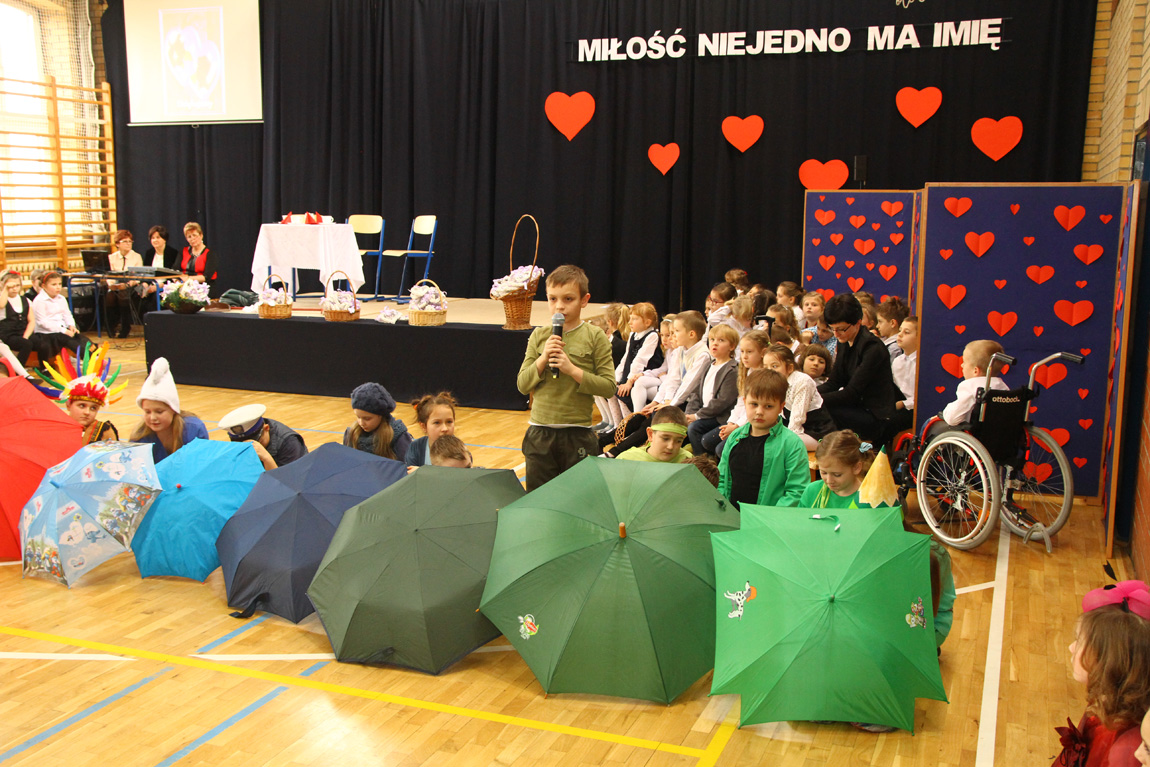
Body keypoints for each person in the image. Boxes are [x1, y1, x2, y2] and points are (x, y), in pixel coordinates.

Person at [516, 264, 616, 491]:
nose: (559, 306)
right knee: (539, 498)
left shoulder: (595, 336)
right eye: (552, 299)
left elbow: (609, 387)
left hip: (578, 433)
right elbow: (522, 385)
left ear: (584, 300)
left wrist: (572, 369)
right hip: (540, 432)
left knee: (578, 499)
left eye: (568, 299)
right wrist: (543, 359)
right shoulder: (539, 335)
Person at [1053, 580, 1150, 767]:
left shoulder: (1126, 753)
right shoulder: (1108, 698)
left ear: (1109, 663)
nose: (1071, 647)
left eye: (1079, 641)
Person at [817, 293, 904, 445]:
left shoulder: (873, 348)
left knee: (823, 410)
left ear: (858, 323)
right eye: (833, 329)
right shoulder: (844, 341)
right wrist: (809, 392)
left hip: (876, 416)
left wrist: (816, 399)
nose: (836, 334)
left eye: (841, 329)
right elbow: (834, 382)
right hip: (857, 408)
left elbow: (852, 393)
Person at [717, 369, 809, 509]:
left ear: (781, 407)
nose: (759, 411)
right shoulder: (734, 437)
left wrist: (767, 518)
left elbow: (797, 491)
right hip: (732, 516)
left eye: (768, 406)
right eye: (754, 404)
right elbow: (722, 478)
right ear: (745, 402)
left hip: (767, 519)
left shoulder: (792, 444)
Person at [924, 339, 1010, 443]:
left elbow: (953, 419)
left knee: (930, 423)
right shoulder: (1003, 387)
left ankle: (919, 452)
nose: (961, 365)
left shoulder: (970, 386)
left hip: (974, 437)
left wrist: (944, 413)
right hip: (998, 438)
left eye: (964, 362)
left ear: (975, 371)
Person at [130, 357, 209, 462]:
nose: (153, 417)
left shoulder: (194, 429)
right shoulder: (139, 437)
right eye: (147, 412)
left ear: (173, 409)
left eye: (159, 412)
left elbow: (203, 463)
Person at [763, 343, 836, 450]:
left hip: (816, 432)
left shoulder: (803, 382)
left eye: (774, 366)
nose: (769, 371)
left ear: (790, 368)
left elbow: (797, 420)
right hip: (791, 428)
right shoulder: (773, 382)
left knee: (778, 442)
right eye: (766, 367)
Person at [712, 329, 771, 459]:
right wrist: (731, 422)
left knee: (721, 449)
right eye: (742, 351)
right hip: (740, 422)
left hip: (754, 424)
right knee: (708, 441)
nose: (744, 356)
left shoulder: (765, 377)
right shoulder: (748, 372)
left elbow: (754, 408)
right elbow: (741, 403)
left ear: (763, 353)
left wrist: (737, 427)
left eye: (749, 352)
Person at [798, 430, 888, 509]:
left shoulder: (871, 498)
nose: (829, 480)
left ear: (856, 468)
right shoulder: (812, 491)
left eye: (837, 475)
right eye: (824, 473)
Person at [685, 324, 739, 455]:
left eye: (721, 340)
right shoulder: (709, 365)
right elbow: (696, 393)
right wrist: (690, 414)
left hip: (721, 417)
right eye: (712, 339)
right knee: (687, 425)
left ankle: (703, 461)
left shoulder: (732, 370)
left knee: (695, 428)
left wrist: (697, 416)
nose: (715, 343)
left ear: (732, 347)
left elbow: (723, 401)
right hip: (706, 413)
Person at [218, 403, 308, 470]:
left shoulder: (289, 442)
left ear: (266, 428)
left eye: (254, 442)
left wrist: (266, 458)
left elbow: (287, 483)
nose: (250, 447)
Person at [342, 381, 413, 460]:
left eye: (367, 418)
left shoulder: (398, 436)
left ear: (381, 415)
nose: (361, 423)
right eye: (358, 417)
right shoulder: (351, 433)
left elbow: (409, 464)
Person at [616, 302, 663, 416]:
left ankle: (634, 420)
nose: (630, 322)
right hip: (631, 375)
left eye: (634, 319)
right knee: (613, 391)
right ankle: (616, 423)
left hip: (646, 375)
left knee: (624, 394)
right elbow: (626, 358)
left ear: (647, 322)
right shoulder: (633, 335)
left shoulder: (652, 335)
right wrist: (617, 378)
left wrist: (629, 382)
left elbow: (640, 360)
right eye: (630, 318)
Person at [31, 271, 91, 359]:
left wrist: (71, 325)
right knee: (69, 340)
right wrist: (63, 330)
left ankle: (93, 356)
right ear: (43, 286)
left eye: (59, 284)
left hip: (62, 329)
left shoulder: (61, 298)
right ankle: (88, 358)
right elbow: (42, 323)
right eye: (54, 284)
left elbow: (67, 315)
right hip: (47, 333)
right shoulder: (39, 301)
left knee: (82, 339)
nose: (58, 287)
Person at [615, 405, 694, 463]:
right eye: (665, 438)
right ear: (650, 434)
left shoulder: (687, 460)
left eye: (679, 441)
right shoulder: (627, 460)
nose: (670, 446)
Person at [630, 315, 674, 413]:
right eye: (662, 335)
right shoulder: (669, 352)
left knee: (640, 387)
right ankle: (637, 414)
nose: (664, 339)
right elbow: (662, 369)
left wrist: (662, 377)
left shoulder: (677, 353)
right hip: (664, 382)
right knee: (640, 382)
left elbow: (673, 379)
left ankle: (638, 415)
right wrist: (644, 374)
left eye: (668, 335)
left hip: (670, 388)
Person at [105, 229, 144, 339]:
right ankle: (110, 326)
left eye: (130, 241)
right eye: (125, 241)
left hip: (131, 286)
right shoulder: (112, 257)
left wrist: (127, 285)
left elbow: (138, 277)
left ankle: (125, 327)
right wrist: (112, 285)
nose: (128, 244)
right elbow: (108, 275)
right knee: (110, 295)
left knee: (123, 294)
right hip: (116, 285)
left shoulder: (137, 257)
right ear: (117, 244)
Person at [406, 391, 457, 467]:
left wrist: (421, 471)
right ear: (424, 426)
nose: (445, 428)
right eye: (437, 423)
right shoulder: (415, 448)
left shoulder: (460, 451)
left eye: (449, 422)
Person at [0, 271, 36, 365]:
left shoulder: (25, 300)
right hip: (8, 334)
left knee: (43, 342)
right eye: (11, 287)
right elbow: (1, 305)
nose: (14, 289)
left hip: (22, 332)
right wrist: (5, 289)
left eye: (17, 285)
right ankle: (18, 369)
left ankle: (43, 368)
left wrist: (26, 336)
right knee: (26, 344)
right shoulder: (2, 298)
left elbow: (31, 321)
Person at [892, 316, 918, 427]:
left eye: (906, 332)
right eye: (900, 330)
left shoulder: (921, 364)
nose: (900, 335)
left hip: (913, 409)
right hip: (896, 404)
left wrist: (903, 403)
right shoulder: (897, 361)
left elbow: (921, 397)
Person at [180, 221, 218, 292]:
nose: (192, 238)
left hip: (204, 288)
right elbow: (175, 270)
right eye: (189, 237)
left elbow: (206, 276)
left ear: (201, 235)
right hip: (185, 287)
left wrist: (189, 279)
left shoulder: (210, 253)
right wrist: (177, 282)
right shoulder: (183, 251)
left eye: (194, 235)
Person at [875, 296, 910, 360]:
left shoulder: (894, 349)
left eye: (880, 321)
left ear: (893, 323)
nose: (877, 326)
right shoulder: (883, 341)